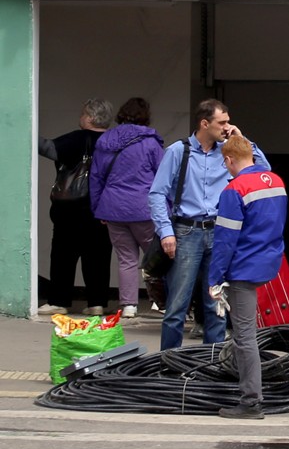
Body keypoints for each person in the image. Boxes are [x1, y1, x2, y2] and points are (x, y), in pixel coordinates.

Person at [148, 99, 268, 351]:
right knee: (177, 306)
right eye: (222, 122)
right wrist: (166, 232)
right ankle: (168, 363)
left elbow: (263, 172)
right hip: (186, 230)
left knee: (215, 306)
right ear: (205, 123)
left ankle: (210, 366)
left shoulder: (228, 152)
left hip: (219, 232)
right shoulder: (178, 151)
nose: (227, 127)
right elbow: (157, 193)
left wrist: (242, 139)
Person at [205, 133, 288, 420]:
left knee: (244, 337)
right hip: (268, 263)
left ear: (228, 160)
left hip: (242, 268)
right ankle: (250, 392)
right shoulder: (276, 181)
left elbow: (225, 240)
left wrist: (214, 279)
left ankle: (251, 401)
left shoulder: (234, 190)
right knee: (248, 333)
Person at [36, 98, 116, 315]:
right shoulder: (114, 141)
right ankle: (97, 303)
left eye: (83, 114)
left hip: (70, 210)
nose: (80, 117)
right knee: (99, 256)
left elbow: (48, 149)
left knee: (63, 254)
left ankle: (59, 301)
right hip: (103, 209)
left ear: (90, 117)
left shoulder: (76, 138)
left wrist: (25, 130)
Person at [89, 97, 165, 318]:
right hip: (144, 208)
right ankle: (164, 303)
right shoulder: (150, 143)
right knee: (157, 258)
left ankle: (129, 305)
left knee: (126, 258)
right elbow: (163, 177)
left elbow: (96, 178)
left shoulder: (104, 141)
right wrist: (168, 210)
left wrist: (98, 208)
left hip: (113, 208)